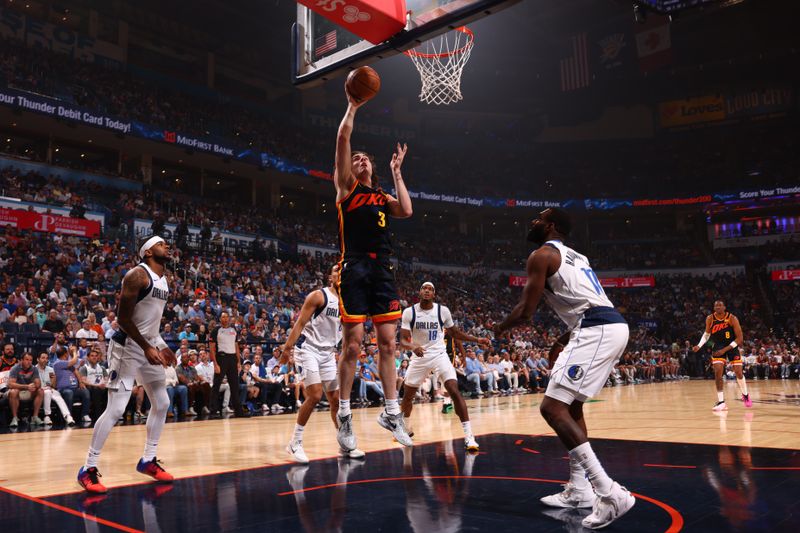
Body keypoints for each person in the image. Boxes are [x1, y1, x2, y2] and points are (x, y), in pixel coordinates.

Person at [494, 208, 635, 529]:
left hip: (596, 328)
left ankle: (609, 491)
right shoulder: (577, 257)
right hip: (605, 324)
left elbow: (525, 311)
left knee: (552, 408)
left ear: (551, 226)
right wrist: (561, 340)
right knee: (571, 407)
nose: (533, 221)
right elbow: (588, 301)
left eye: (539, 218)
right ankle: (580, 489)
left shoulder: (540, 255)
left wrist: (500, 328)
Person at [331, 83, 414, 451]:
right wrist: (352, 107)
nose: (360, 159)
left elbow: (407, 211)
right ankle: (345, 416)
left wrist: (397, 171)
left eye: (366, 158)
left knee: (388, 345)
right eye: (356, 158)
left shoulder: (381, 196)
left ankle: (391, 412)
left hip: (383, 272)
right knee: (352, 346)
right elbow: (343, 137)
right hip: (355, 269)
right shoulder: (347, 188)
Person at [78, 235, 176, 493]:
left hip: (148, 345)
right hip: (126, 349)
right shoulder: (137, 275)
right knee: (117, 409)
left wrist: (163, 346)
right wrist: (147, 347)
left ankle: (147, 460)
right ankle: (87, 468)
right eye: (160, 244)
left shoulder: (164, 280)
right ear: (147, 252)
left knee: (162, 402)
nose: (166, 246)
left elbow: (150, 325)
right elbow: (123, 320)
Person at [399, 281, 490, 451]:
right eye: (424, 288)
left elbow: (455, 333)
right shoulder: (409, 312)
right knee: (407, 395)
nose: (427, 291)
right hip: (419, 357)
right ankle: (404, 428)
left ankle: (469, 436)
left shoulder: (443, 311)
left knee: (454, 391)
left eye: (430, 289)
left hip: (440, 355)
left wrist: (478, 340)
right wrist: (413, 347)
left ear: (434, 294)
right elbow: (403, 340)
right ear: (419, 292)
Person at [692, 300, 750, 411]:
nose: (718, 307)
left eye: (720, 305)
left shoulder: (732, 318)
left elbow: (740, 339)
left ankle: (745, 395)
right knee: (718, 372)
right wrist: (699, 345)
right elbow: (707, 334)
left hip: (731, 346)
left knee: (738, 372)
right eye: (716, 305)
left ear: (724, 307)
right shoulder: (710, 318)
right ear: (714, 308)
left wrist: (725, 350)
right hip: (718, 345)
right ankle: (721, 402)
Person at [209, 312, 245, 417]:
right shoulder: (216, 331)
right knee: (216, 384)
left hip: (232, 358)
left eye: (226, 317)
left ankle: (239, 412)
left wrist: (238, 361)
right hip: (221, 358)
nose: (225, 319)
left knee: (234, 386)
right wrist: (215, 364)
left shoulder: (233, 330)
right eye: (223, 317)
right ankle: (213, 411)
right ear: (220, 319)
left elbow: (236, 347)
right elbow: (211, 348)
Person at [35, 352, 74, 426]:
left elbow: (53, 384)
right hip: (39, 392)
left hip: (49, 389)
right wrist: (44, 388)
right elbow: (34, 384)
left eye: (46, 358)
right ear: (38, 359)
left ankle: (68, 416)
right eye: (43, 358)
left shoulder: (50, 369)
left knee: (58, 397)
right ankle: (47, 416)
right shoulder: (34, 369)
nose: (45, 360)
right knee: (47, 392)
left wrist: (52, 384)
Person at [7, 352, 45, 427]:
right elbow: (11, 384)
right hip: (16, 391)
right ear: (21, 360)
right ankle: (15, 418)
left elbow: (38, 384)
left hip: (28, 391)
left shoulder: (34, 369)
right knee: (14, 391)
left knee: (40, 390)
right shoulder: (15, 368)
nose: (29, 362)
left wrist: (35, 385)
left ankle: (35, 417)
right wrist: (26, 386)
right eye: (27, 359)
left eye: (31, 360)